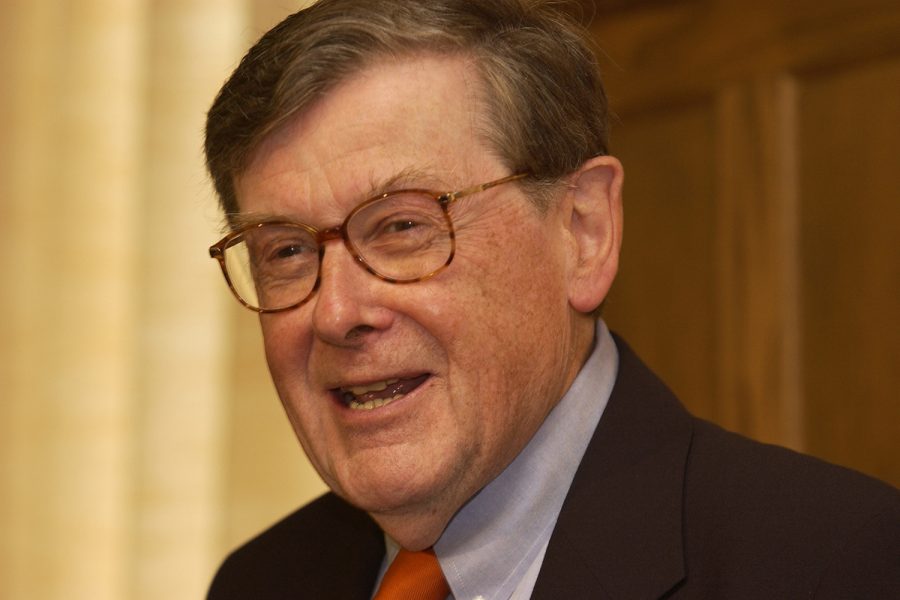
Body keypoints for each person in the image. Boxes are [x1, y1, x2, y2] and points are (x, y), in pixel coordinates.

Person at [203, 1, 900, 598]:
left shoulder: (835, 566)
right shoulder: (264, 581)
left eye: (403, 227)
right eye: (287, 251)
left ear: (583, 233)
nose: (336, 313)